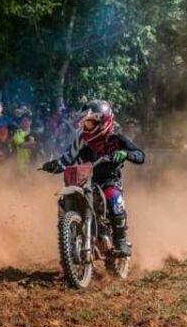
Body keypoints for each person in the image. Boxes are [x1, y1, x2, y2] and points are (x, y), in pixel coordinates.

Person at [42, 100, 145, 257]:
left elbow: (140, 155)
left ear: (103, 122)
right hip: (86, 180)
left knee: (113, 199)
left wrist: (126, 153)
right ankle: (71, 237)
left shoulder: (117, 139)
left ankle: (121, 241)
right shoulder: (81, 140)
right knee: (65, 200)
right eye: (85, 123)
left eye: (90, 123)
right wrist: (54, 165)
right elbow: (67, 159)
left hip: (109, 180)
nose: (86, 126)